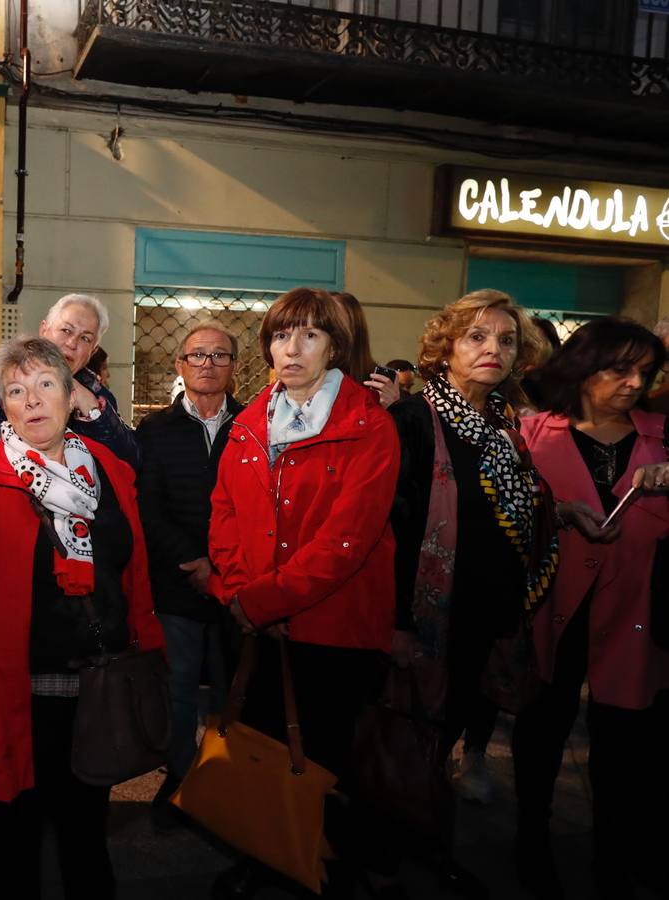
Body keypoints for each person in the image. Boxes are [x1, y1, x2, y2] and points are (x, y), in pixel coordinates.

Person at [0, 335, 164, 899]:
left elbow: (134, 572)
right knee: (8, 851)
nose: (31, 401)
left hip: (96, 696)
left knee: (85, 840)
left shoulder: (109, 472)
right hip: (12, 700)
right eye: (15, 391)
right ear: (3, 405)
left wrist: (148, 657)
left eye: (45, 385)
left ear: (70, 396)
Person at [208, 287, 398, 899]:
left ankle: (321, 863)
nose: (291, 348)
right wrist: (240, 594)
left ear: (335, 346)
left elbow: (349, 539)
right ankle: (266, 851)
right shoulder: (247, 422)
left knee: (322, 756)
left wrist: (265, 601)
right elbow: (225, 517)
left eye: (310, 335)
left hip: (331, 625)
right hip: (256, 621)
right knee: (261, 744)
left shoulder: (369, 425)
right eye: (282, 335)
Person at [389, 289, 558, 896]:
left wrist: (560, 516)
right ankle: (411, 858)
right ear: (447, 346)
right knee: (413, 740)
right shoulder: (414, 419)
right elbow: (394, 527)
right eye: (477, 337)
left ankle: (428, 847)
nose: (493, 349)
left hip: (488, 610)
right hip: (429, 615)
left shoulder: (504, 422)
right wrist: (397, 625)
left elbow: (506, 510)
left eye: (506, 340)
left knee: (447, 734)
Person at [513, 317, 669, 900]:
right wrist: (553, 515)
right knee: (541, 731)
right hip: (551, 610)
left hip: (637, 616)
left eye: (644, 372)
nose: (633, 383)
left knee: (625, 744)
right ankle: (531, 837)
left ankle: (617, 856)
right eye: (618, 369)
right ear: (582, 368)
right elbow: (502, 522)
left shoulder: (662, 434)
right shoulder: (532, 435)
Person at [136, 321, 244, 817]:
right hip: (178, 582)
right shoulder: (155, 430)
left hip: (237, 585)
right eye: (197, 356)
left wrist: (223, 567)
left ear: (234, 368)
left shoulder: (252, 427)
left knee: (230, 690)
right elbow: (149, 507)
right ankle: (178, 778)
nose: (207, 365)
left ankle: (225, 780)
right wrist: (193, 563)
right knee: (179, 685)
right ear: (181, 364)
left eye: (219, 356)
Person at [0, 293, 141, 469]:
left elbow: (129, 461)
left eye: (85, 338)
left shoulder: (97, 394)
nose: (72, 343)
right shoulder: (1, 384)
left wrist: (93, 413)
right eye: (66, 330)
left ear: (93, 350)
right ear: (44, 330)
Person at [332, 291, 401, 408]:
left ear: (354, 329)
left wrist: (393, 408)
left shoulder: (375, 380)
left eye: (335, 322)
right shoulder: (306, 375)